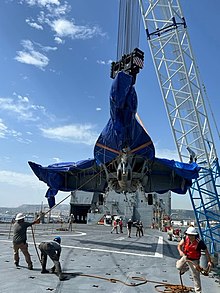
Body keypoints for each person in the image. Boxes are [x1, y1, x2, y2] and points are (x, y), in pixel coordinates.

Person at [176, 226, 212, 293]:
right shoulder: (185, 238)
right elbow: (179, 245)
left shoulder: (199, 242)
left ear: (194, 235)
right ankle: (185, 269)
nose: (190, 237)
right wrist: (180, 252)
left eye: (191, 235)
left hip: (194, 260)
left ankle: (198, 291)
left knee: (195, 276)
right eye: (189, 235)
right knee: (178, 266)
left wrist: (209, 261)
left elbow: (206, 251)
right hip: (186, 256)